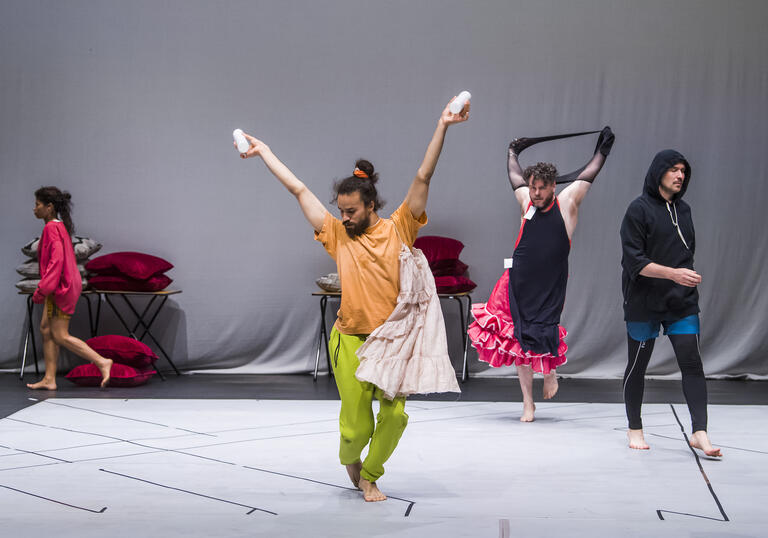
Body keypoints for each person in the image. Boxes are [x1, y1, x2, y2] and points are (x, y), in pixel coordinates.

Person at [238, 97, 469, 501]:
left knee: (395, 417)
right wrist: (265, 153)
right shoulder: (337, 235)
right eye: (340, 211)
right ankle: (351, 458)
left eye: (350, 211)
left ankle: (371, 475)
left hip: (392, 342)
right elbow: (298, 189)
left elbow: (423, 175)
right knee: (357, 426)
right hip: (350, 341)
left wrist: (443, 125)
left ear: (370, 205)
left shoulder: (400, 227)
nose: (343, 217)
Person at [469, 128, 615, 421]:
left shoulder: (568, 203)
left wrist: (603, 149)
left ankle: (550, 373)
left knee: (545, 331)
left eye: (541, 189)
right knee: (520, 338)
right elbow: (514, 177)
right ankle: (527, 403)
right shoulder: (527, 202)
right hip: (517, 281)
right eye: (532, 187)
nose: (535, 193)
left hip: (549, 284)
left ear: (552, 187)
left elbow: (590, 173)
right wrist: (512, 152)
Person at [620, 150, 721, 456]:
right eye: (674, 170)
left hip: (681, 301)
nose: (680, 176)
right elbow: (634, 262)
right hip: (643, 298)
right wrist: (673, 275)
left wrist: (683, 279)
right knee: (638, 366)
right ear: (658, 172)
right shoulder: (637, 210)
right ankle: (634, 427)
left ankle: (699, 431)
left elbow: (684, 254)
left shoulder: (685, 210)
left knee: (692, 363)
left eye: (683, 171)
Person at [26, 187, 113, 390]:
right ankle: (49, 379)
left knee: (60, 335)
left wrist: (41, 290)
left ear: (49, 207)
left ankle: (102, 362)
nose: (34, 209)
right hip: (61, 286)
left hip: (60, 288)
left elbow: (55, 264)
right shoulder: (57, 226)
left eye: (37, 205)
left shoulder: (51, 229)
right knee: (46, 330)